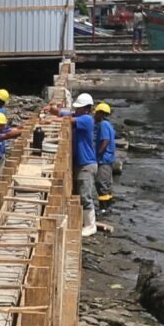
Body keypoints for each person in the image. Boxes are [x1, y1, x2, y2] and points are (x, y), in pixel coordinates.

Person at [69, 92, 101, 235]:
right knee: (80, 192)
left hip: (87, 164)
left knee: (85, 195)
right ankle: (84, 222)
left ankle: (90, 225)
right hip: (81, 163)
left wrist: (53, 120)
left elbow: (69, 120)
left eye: (79, 108)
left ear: (86, 108)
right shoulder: (81, 116)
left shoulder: (87, 119)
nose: (76, 110)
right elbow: (68, 114)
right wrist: (57, 112)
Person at [94, 100, 122, 208]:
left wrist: (98, 153)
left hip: (104, 159)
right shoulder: (108, 124)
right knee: (108, 182)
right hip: (109, 158)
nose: (95, 115)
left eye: (96, 113)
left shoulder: (103, 125)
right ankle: (109, 205)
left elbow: (105, 140)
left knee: (101, 183)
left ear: (101, 113)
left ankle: (104, 208)